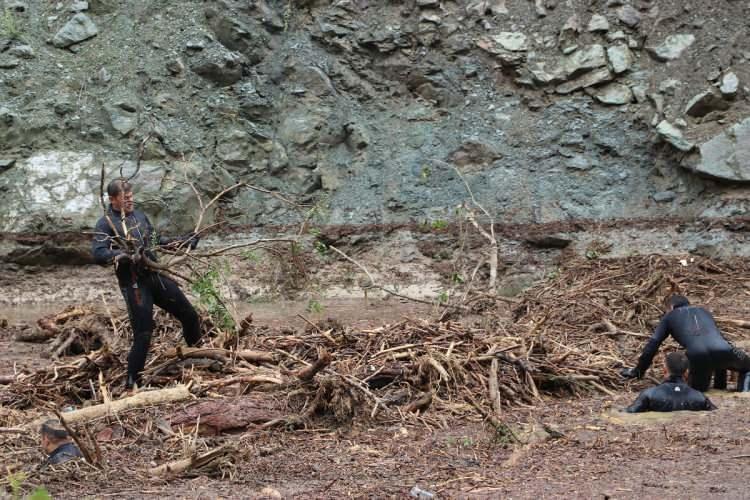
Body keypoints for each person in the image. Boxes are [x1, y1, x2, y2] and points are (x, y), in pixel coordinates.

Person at [91, 179, 202, 390]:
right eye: (126, 198)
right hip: (133, 283)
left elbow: (155, 241)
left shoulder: (139, 217)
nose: (130, 200)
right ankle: (132, 382)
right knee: (143, 333)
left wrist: (182, 241)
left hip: (155, 275)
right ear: (113, 199)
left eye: (131, 196)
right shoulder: (106, 223)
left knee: (189, 315)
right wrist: (122, 254)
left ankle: (199, 356)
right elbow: (98, 254)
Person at [621, 294, 750, 392]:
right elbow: (717, 341)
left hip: (697, 356)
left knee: (700, 392)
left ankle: (719, 390)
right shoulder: (704, 311)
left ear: (671, 307)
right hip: (725, 349)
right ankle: (744, 394)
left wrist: (638, 371)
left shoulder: (669, 316)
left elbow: (652, 345)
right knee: (747, 367)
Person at [625, 352, 716, 413]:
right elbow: (715, 412)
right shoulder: (700, 398)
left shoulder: (649, 394)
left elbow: (630, 412)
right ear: (687, 373)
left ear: (665, 371)